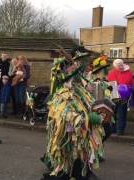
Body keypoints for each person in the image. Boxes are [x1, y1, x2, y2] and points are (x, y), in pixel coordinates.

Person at [41, 49, 111, 180]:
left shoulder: (79, 91)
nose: (81, 77)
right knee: (66, 166)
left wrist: (99, 112)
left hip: (80, 137)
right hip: (68, 137)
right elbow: (65, 114)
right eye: (76, 75)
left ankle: (83, 174)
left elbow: (90, 105)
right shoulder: (62, 94)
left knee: (79, 160)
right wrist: (88, 118)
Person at [107, 59, 134, 135]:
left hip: (119, 95)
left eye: (120, 65)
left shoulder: (114, 72)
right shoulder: (115, 72)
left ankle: (117, 130)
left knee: (118, 113)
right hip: (119, 95)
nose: (120, 67)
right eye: (118, 66)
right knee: (117, 113)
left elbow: (111, 84)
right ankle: (117, 130)